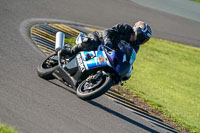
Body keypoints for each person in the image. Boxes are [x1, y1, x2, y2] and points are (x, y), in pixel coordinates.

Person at [61, 21, 152, 56]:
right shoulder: (125, 28)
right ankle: (69, 51)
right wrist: (107, 40)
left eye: (144, 39)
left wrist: (128, 68)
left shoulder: (135, 47)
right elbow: (108, 31)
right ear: (136, 30)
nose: (140, 40)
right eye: (141, 36)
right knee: (92, 43)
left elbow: (129, 58)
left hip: (108, 53)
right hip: (100, 38)